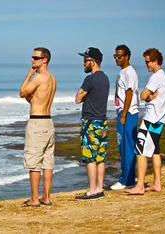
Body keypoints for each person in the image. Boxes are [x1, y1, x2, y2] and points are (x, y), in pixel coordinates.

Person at [125, 48, 165, 195]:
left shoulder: (156, 76)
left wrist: (147, 95)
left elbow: (142, 95)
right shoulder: (162, 76)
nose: (146, 65)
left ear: (155, 61)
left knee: (140, 152)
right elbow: (147, 95)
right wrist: (149, 95)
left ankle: (139, 186)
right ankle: (157, 184)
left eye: (147, 62)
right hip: (159, 119)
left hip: (152, 120)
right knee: (155, 151)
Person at [19, 47, 56, 207]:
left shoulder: (39, 77)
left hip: (37, 121)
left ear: (44, 60)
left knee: (34, 161)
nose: (32, 60)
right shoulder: (52, 78)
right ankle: (46, 197)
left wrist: (28, 75)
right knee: (47, 161)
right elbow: (35, 99)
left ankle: (35, 198)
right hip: (48, 121)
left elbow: (22, 92)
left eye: (35, 58)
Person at [74, 47, 110, 200]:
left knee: (90, 157)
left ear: (93, 62)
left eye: (85, 60)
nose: (83, 63)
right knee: (100, 157)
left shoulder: (90, 79)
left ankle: (92, 190)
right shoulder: (106, 78)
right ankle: (100, 188)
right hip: (102, 121)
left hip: (90, 122)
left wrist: (84, 95)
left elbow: (77, 98)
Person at [110, 45, 139, 190]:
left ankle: (127, 180)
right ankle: (127, 177)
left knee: (127, 147)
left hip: (128, 114)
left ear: (127, 56)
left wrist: (124, 114)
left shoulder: (130, 72)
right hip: (122, 112)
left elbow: (129, 93)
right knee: (123, 147)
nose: (117, 59)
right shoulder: (123, 72)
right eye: (115, 56)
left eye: (119, 56)